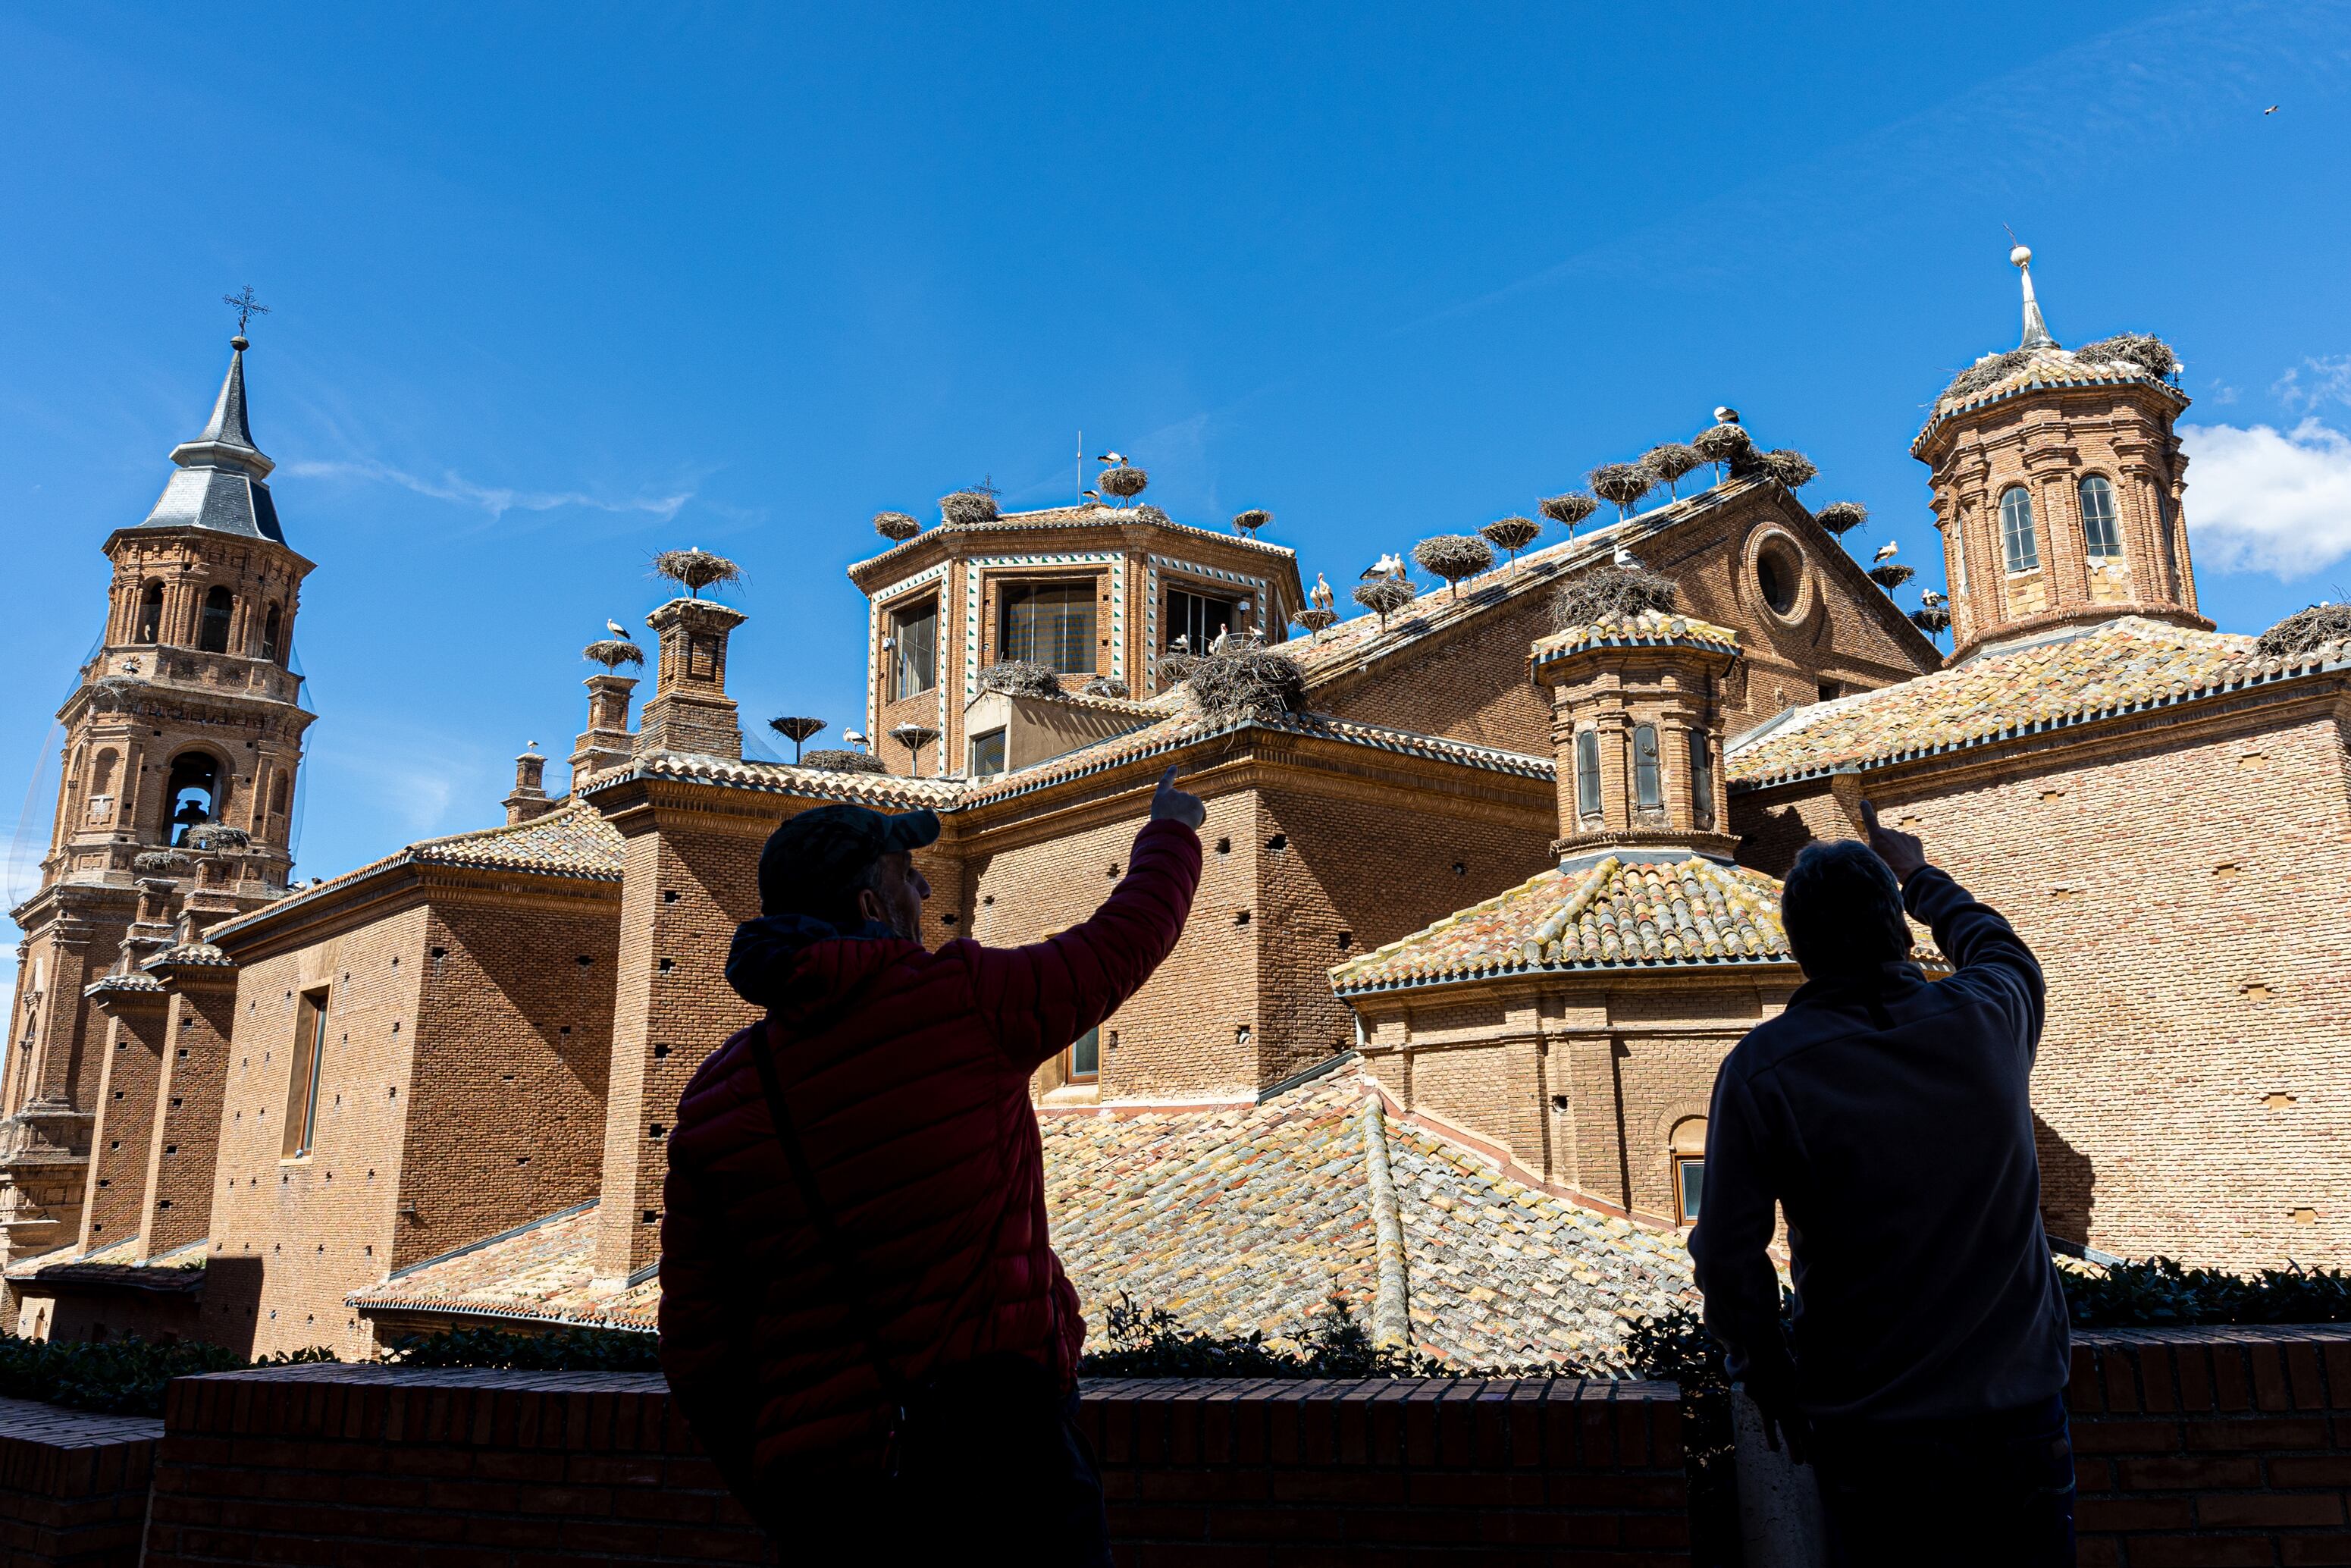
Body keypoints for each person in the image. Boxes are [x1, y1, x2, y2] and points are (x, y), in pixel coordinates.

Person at [659, 764, 1205, 1563]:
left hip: (828, 1498)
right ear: (870, 908)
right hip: (1000, 1463)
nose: (923, 885)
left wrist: (781, 1490)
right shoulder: (961, 999)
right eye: (904, 875)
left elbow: (697, 1347)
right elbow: (1117, 945)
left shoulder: (716, 1098)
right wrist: (1170, 832)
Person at [1688, 801, 2074, 1566]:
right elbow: (1999, 947)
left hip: (1871, 1431)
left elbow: (1728, 1256)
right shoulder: (1987, 1016)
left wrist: (1764, 1373)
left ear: (1798, 947)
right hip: (2019, 1416)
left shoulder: (1763, 1071)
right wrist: (1918, 875)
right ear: (1898, 931)